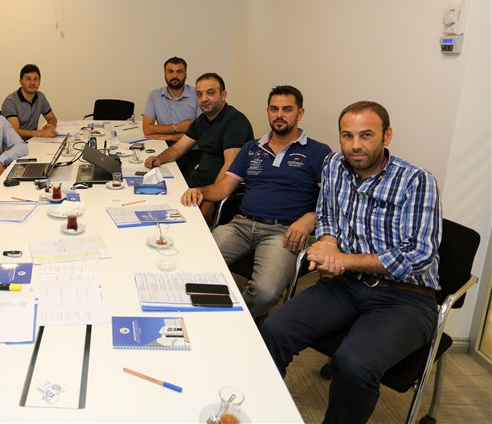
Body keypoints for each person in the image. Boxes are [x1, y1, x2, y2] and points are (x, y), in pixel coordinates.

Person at [260, 101, 441, 424]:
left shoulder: (416, 180)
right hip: (345, 285)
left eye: (366, 135)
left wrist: (343, 259)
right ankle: (261, 411)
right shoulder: (334, 165)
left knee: (353, 364)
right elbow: (327, 215)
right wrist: (328, 243)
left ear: (387, 135)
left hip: (406, 297)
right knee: (273, 330)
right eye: (347, 135)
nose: (355, 145)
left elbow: (418, 255)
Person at [181, 86, 331, 318]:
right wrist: (200, 191)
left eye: (287, 109)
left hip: (284, 232)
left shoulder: (318, 152)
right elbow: (224, 187)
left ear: (300, 113)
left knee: (264, 293)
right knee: (193, 263)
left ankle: (235, 320)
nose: (279, 115)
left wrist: (311, 218)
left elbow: (332, 201)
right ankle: (217, 309)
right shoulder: (252, 148)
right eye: (274, 109)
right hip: (241, 225)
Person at [144, 72, 253, 188]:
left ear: (223, 95)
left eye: (210, 93)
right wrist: (159, 158)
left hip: (214, 189)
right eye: (199, 94)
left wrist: (208, 197)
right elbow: (178, 149)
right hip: (199, 182)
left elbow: (230, 167)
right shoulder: (202, 120)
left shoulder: (235, 122)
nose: (204, 99)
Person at [141, 56, 201, 182]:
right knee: (146, 173)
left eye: (179, 71)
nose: (175, 76)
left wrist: (167, 136)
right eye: (170, 71)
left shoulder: (198, 95)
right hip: (163, 147)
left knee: (182, 182)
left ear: (186, 74)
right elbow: (147, 129)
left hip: (192, 152)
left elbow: (199, 135)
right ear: (164, 74)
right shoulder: (155, 96)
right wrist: (178, 128)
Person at [1, 64, 59, 140]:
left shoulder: (40, 97)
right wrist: (39, 133)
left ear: (39, 81)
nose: (32, 83)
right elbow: (14, 131)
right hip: (14, 144)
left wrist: (50, 125)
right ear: (21, 82)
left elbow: (52, 118)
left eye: (35, 79)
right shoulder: (10, 102)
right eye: (28, 79)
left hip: (33, 141)